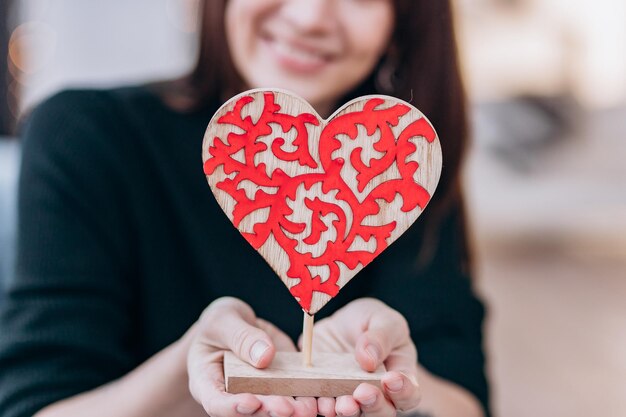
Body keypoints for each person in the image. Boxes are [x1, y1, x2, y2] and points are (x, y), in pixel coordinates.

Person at [0, 1, 490, 416]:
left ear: (405, 18)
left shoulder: (401, 162)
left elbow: (467, 400)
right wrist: (191, 370)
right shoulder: (85, 137)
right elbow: (37, 404)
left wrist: (398, 381)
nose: (309, 16)